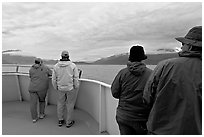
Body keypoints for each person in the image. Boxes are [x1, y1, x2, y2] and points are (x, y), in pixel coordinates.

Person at [143, 26, 202, 135]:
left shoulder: (165, 65)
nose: (181, 46)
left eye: (183, 44)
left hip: (161, 131)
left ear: (190, 46)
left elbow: (147, 98)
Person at [111, 46, 152, 135]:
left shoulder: (122, 73)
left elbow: (115, 93)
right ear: (142, 58)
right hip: (142, 118)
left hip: (124, 116)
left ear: (130, 57)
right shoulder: (151, 74)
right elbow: (154, 96)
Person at [52, 50, 79, 128]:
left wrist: (55, 87)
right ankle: (68, 122)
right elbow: (76, 78)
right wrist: (76, 86)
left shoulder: (56, 66)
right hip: (70, 88)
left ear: (61, 56)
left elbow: (54, 79)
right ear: (68, 56)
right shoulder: (73, 66)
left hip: (60, 88)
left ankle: (60, 120)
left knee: (60, 104)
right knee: (70, 104)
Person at [28, 58, 52, 123]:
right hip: (42, 88)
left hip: (32, 88)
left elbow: (30, 76)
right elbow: (51, 73)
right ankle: (41, 114)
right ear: (41, 62)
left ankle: (34, 118)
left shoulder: (31, 69)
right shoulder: (45, 68)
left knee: (33, 103)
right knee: (42, 101)